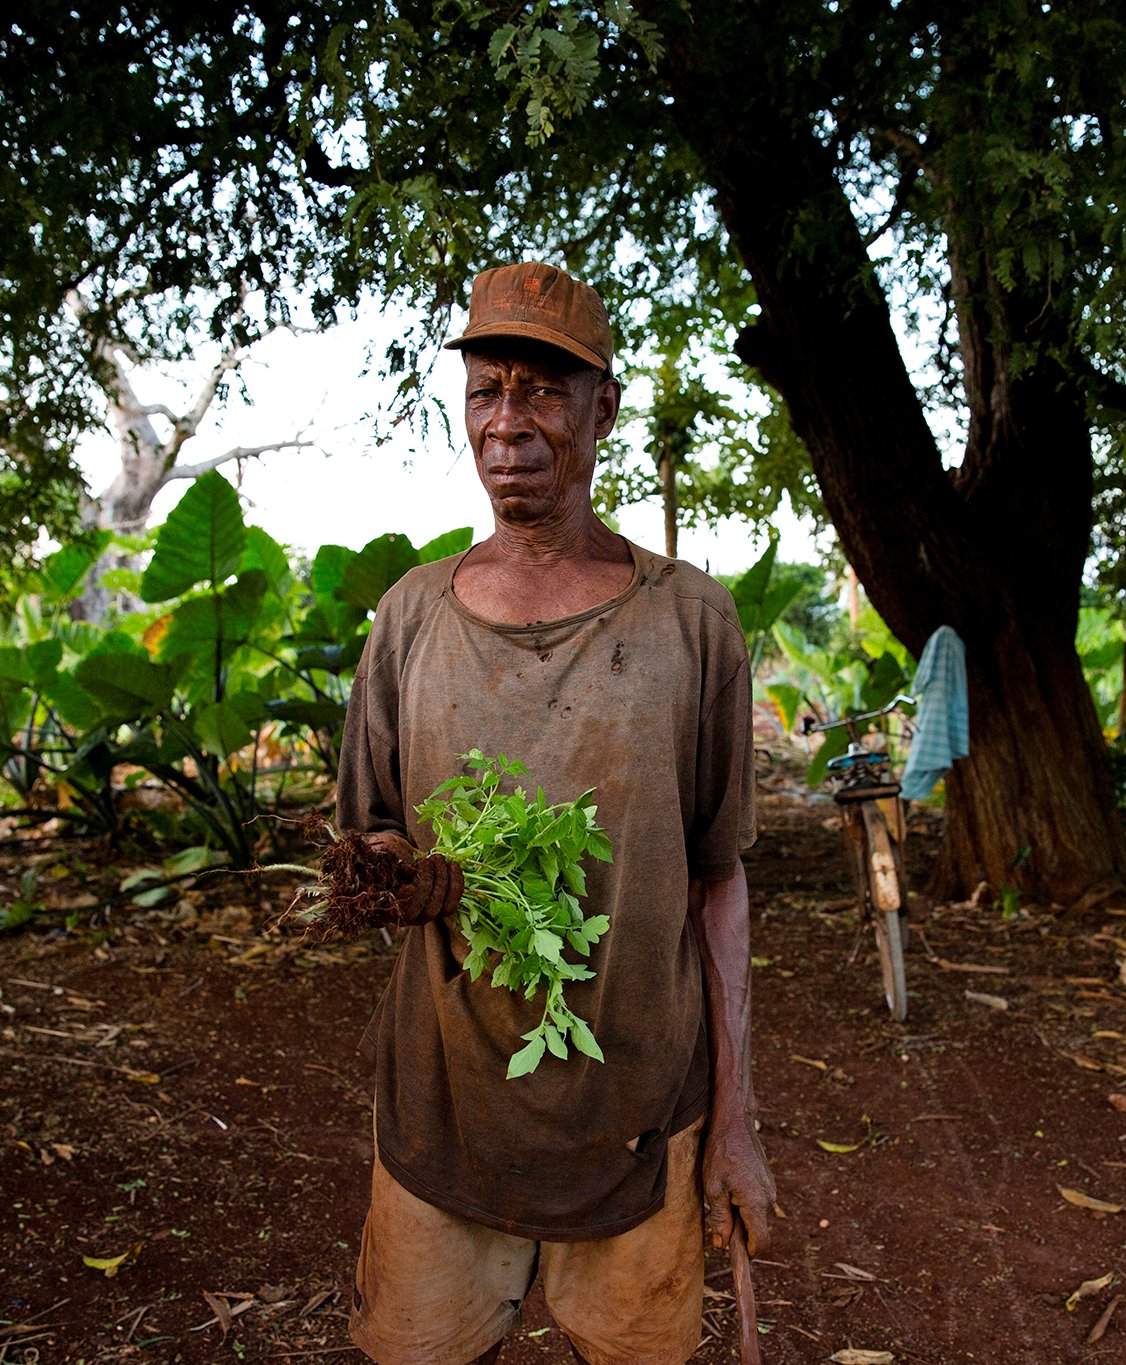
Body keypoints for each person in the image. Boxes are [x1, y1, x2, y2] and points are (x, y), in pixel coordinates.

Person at [336, 260, 775, 1363]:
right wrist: (394, 876)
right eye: (486, 391)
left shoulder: (692, 624)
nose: (508, 424)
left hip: (636, 1113)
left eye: (541, 390)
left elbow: (717, 883)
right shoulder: (407, 620)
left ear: (602, 409)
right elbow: (369, 831)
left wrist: (737, 1125)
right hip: (442, 1114)